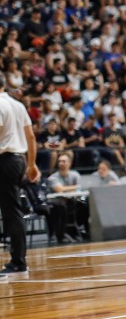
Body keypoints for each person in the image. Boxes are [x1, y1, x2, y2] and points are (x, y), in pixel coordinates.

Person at [0, 73, 41, 276]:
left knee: (11, 212)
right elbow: (31, 136)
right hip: (18, 159)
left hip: (4, 159)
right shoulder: (17, 104)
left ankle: (18, 261)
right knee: (13, 210)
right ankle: (18, 259)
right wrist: (32, 164)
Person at [47, 152, 90, 242]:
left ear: (69, 163)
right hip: (57, 204)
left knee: (86, 205)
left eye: (64, 161)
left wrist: (67, 189)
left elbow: (79, 188)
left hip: (73, 201)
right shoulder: (53, 177)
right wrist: (73, 187)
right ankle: (61, 235)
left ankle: (86, 232)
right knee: (62, 207)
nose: (61, 163)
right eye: (59, 161)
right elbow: (59, 189)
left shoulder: (75, 174)